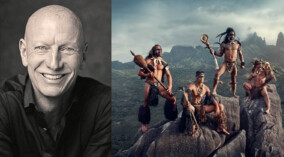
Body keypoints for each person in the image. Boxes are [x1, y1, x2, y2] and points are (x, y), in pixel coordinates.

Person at [0, 5, 111, 157]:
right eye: (41, 48)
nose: (54, 64)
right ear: (24, 53)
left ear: (83, 57)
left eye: (67, 49)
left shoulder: (105, 105)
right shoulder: (3, 105)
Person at [138, 44, 177, 133]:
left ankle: (171, 117)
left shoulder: (163, 62)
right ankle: (144, 123)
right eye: (157, 49)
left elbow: (169, 75)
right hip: (149, 83)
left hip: (159, 85)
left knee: (172, 99)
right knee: (145, 102)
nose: (159, 51)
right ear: (153, 51)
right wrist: (147, 74)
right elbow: (140, 73)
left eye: (160, 49)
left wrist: (170, 86)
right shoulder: (147, 61)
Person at [179, 71, 230, 135]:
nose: (202, 78)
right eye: (200, 76)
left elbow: (211, 98)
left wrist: (217, 106)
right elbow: (186, 95)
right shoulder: (191, 86)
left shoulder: (206, 88)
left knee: (221, 106)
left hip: (201, 107)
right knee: (191, 110)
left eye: (203, 76)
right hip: (193, 107)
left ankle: (220, 127)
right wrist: (187, 103)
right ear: (196, 77)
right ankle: (192, 126)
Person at [210, 27, 245, 98]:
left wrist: (242, 63)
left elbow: (240, 54)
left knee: (233, 79)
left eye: (233, 34)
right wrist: (214, 52)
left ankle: (233, 94)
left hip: (234, 64)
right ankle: (214, 90)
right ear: (227, 35)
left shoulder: (237, 44)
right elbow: (220, 54)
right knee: (217, 74)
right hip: (226, 63)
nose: (232, 36)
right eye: (230, 35)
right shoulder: (224, 44)